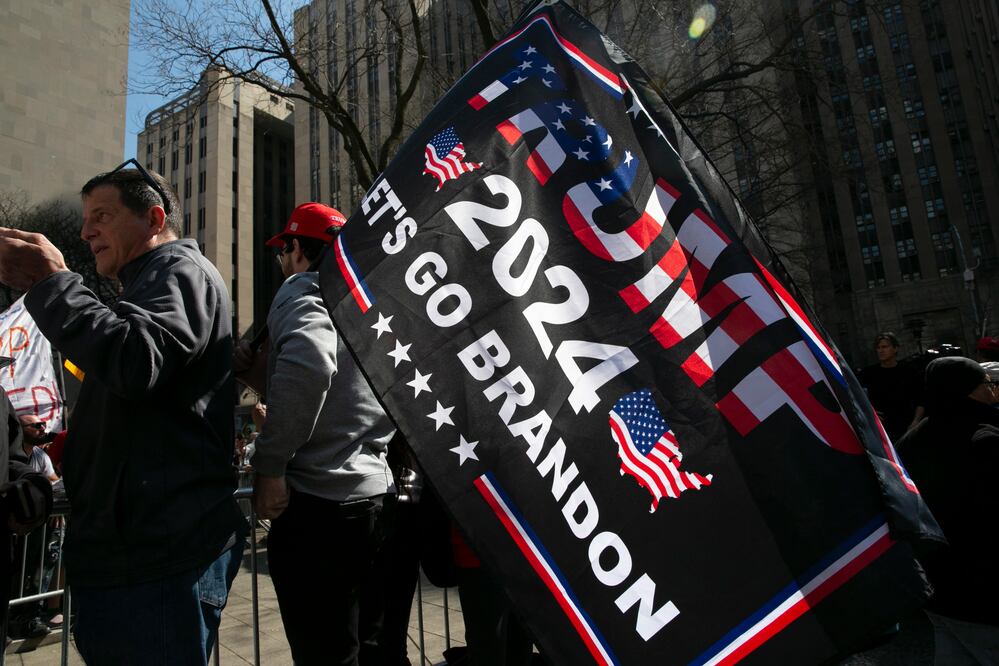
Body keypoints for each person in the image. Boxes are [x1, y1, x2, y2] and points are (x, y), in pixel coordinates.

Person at [0, 164, 245, 664]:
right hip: (137, 559)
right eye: (86, 218)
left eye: (102, 216)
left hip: (158, 562)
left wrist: (52, 282)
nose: (86, 231)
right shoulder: (146, 284)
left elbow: (135, 361)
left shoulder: (179, 270)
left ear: (154, 219)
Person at [235, 202, 395, 665]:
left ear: (298, 250)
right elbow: (343, 392)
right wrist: (256, 372)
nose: (282, 263)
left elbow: (310, 365)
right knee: (368, 648)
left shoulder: (303, 289)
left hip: (318, 509)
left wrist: (270, 466)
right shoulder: (369, 303)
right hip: (373, 498)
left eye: (283, 252)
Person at [897, 357, 999, 663]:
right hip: (982, 592)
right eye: (987, 384)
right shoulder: (984, 440)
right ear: (968, 390)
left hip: (937, 586)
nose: (992, 391)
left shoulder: (910, 441)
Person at [857, 332, 923, 441]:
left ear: (895, 349)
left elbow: (920, 399)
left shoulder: (908, 371)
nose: (880, 350)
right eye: (878, 348)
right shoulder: (868, 373)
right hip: (881, 428)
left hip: (906, 425)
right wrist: (869, 412)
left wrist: (916, 422)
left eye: (884, 347)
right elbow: (856, 396)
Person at [16, 416, 58, 483]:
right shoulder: (5, 456)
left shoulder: (41, 455)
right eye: (37, 425)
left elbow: (54, 480)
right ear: (20, 429)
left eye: (43, 424)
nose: (43, 428)